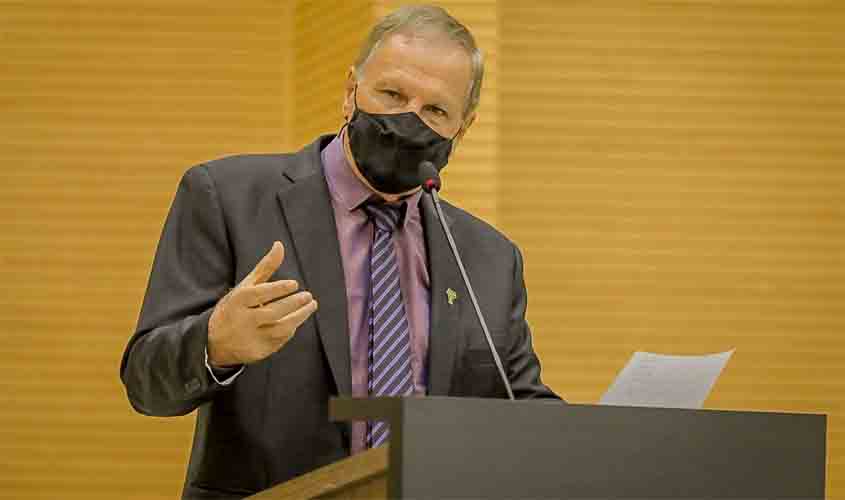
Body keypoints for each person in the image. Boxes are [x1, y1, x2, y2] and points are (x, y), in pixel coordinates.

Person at [120, 5, 559, 499]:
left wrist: (601, 443)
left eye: (435, 111)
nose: (408, 120)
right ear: (351, 92)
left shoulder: (488, 257)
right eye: (392, 95)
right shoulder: (229, 198)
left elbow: (520, 404)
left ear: (463, 127)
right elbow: (145, 383)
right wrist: (214, 344)